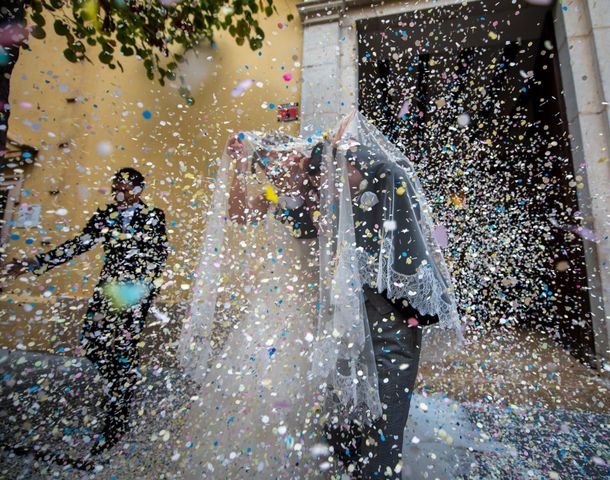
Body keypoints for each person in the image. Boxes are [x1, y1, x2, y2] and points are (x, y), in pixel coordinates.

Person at [298, 111, 461, 479]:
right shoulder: (345, 210)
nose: (332, 178)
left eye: (340, 168)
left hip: (392, 330)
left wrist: (346, 148)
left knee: (384, 422)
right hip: (353, 332)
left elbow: (387, 169)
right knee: (344, 417)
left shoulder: (389, 187)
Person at [176, 133, 327, 479]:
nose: (276, 167)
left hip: (314, 303)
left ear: (297, 156)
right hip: (273, 302)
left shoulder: (321, 190)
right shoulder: (272, 198)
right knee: (259, 379)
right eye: (268, 163)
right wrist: (240, 166)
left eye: (281, 158)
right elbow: (237, 213)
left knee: (303, 384)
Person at [3, 167, 168, 455]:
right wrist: (34, 263)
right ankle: (116, 385)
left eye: (127, 187)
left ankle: (118, 413)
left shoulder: (154, 216)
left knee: (124, 351)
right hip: (108, 291)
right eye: (117, 186)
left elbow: (159, 256)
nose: (121, 192)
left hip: (134, 293)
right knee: (92, 342)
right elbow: (80, 243)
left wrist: (141, 292)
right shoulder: (105, 214)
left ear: (139, 189)